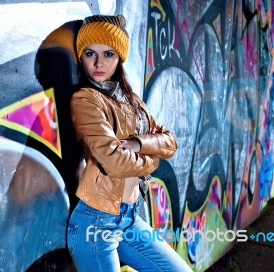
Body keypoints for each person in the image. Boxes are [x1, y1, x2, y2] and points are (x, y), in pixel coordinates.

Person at [67, 14, 192, 272]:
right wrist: (152, 159)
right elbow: (115, 164)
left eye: (108, 54)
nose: (99, 63)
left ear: (119, 57)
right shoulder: (86, 100)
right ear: (81, 56)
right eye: (90, 53)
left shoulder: (130, 100)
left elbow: (169, 141)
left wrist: (136, 143)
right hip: (96, 224)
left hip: (128, 218)